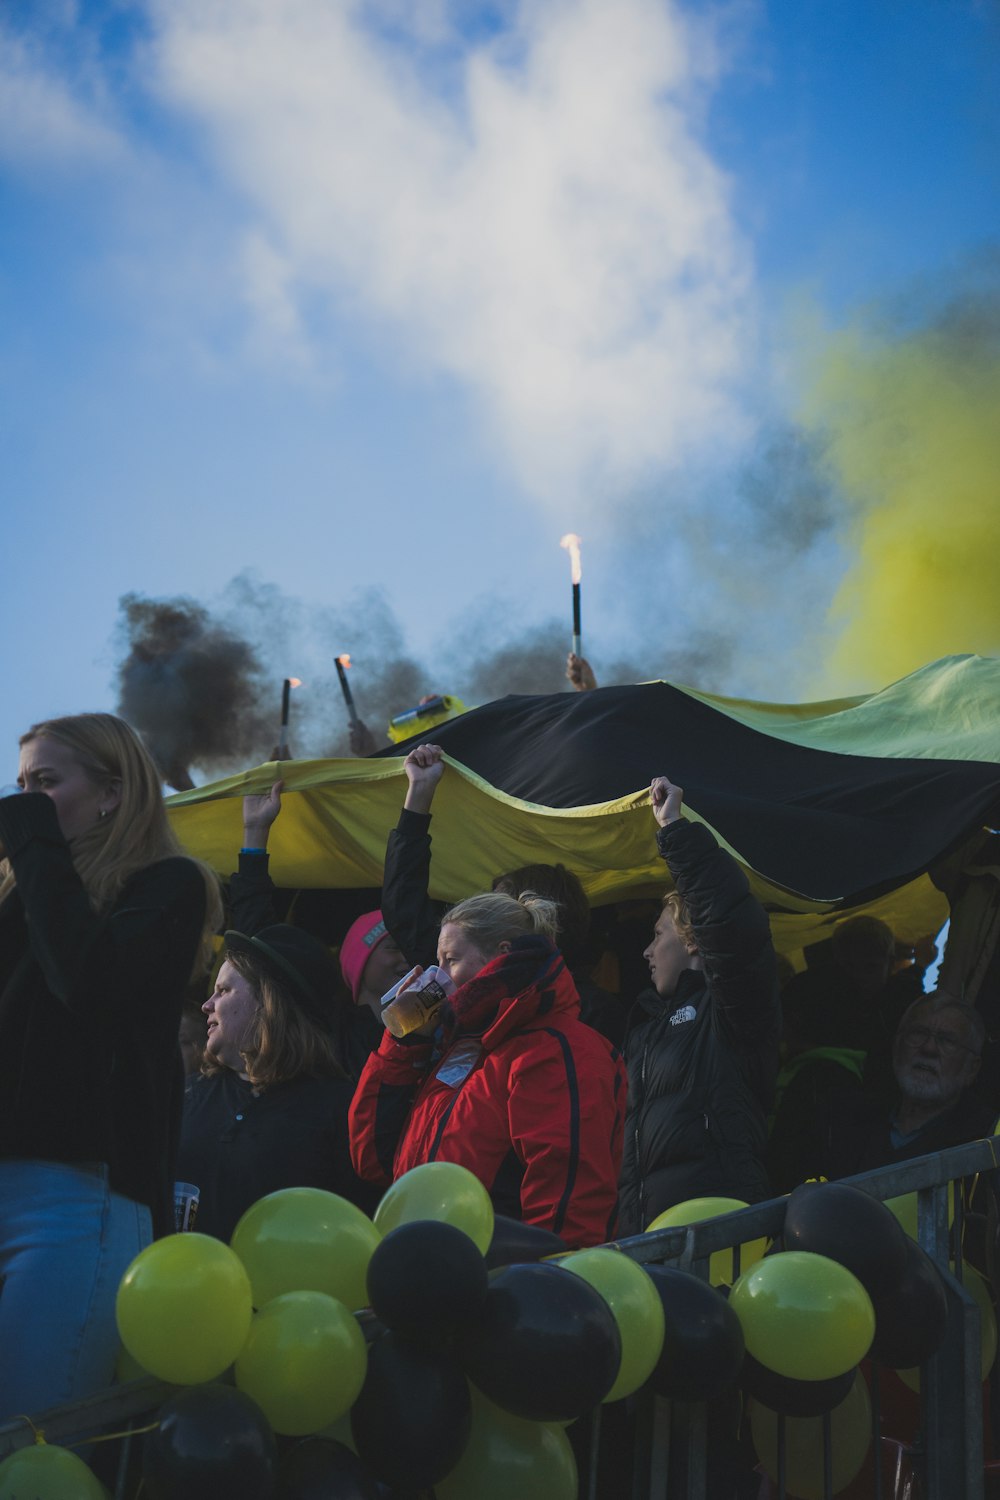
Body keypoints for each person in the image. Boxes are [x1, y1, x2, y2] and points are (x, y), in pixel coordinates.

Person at [0, 712, 220, 1423]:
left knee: (32, 1437)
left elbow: (90, 983)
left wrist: (31, 844)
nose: (25, 799)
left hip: (72, 1198)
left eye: (46, 783)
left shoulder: (166, 886)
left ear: (111, 794)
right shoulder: (19, 896)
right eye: (19, 783)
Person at [349, 890, 627, 1248]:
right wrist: (404, 1043)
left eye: (451, 959)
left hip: (502, 1283)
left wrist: (549, 1286)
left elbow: (570, 1202)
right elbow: (372, 1160)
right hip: (433, 1273)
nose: (438, 978)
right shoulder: (458, 1048)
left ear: (502, 955)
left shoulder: (556, 1047)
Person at [617, 775, 779, 1237]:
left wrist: (674, 831)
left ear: (691, 939)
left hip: (720, 1240)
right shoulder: (643, 1031)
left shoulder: (732, 1011)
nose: (647, 952)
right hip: (643, 1245)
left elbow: (733, 926)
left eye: (657, 935)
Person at [381, 743, 623, 1043]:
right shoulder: (458, 974)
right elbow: (403, 906)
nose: (440, 968)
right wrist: (420, 790)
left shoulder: (588, 1013)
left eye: (500, 905)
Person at [178, 925, 377, 1240]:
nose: (207, 1004)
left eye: (224, 990)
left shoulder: (340, 1110)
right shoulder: (187, 1094)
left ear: (269, 1003)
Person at [230, 779, 409, 1081]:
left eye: (408, 946)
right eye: (391, 946)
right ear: (357, 963)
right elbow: (258, 945)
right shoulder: (324, 1024)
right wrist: (255, 833)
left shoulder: (428, 1032)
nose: (405, 957)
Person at [798, 992, 992, 1183]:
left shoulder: (987, 1143)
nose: (929, 1048)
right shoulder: (841, 1123)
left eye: (947, 1040)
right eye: (918, 1033)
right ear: (897, 1047)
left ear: (972, 1069)